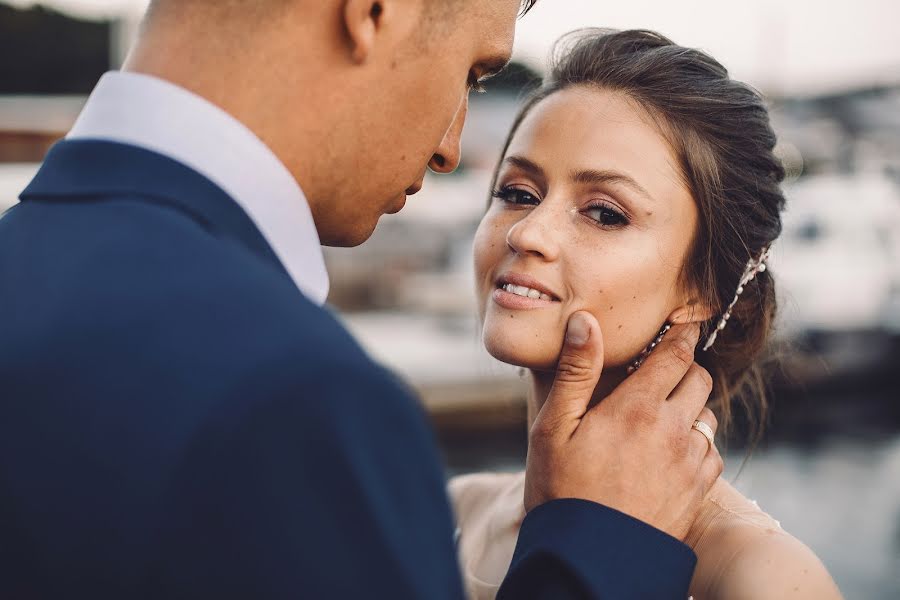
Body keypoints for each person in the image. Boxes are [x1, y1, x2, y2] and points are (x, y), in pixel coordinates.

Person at [0, 3, 721, 598]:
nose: (448, 147)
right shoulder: (291, 401)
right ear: (376, 11)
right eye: (470, 73)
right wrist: (600, 550)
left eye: (604, 212)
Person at [449, 28, 844, 600]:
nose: (528, 232)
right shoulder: (454, 510)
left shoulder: (758, 577)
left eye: (605, 213)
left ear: (703, 287)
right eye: (518, 192)